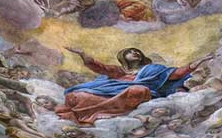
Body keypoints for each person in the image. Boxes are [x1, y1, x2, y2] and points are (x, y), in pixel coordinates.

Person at [55, 47, 208, 124]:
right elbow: (98, 67)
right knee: (75, 96)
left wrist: (198, 62)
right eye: (131, 51)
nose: (135, 53)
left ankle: (106, 113)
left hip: (133, 94)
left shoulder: (152, 69)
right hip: (109, 91)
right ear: (124, 57)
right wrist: (82, 53)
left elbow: (177, 73)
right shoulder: (118, 71)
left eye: (137, 51)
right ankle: (92, 114)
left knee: (138, 90)